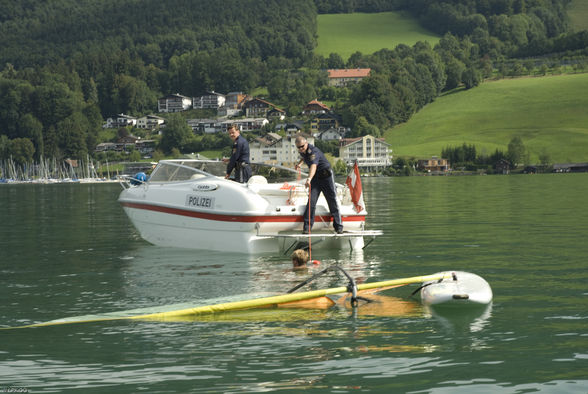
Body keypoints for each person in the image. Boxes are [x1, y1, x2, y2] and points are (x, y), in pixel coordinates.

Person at [294, 135, 343, 234]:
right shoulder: (303, 151)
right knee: (311, 202)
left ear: (306, 143)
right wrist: (299, 164)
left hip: (326, 177)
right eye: (298, 147)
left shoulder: (313, 152)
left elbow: (313, 166)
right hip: (316, 179)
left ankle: (338, 226)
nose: (300, 149)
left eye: (302, 146)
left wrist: (309, 179)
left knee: (332, 200)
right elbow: (304, 157)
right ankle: (307, 228)